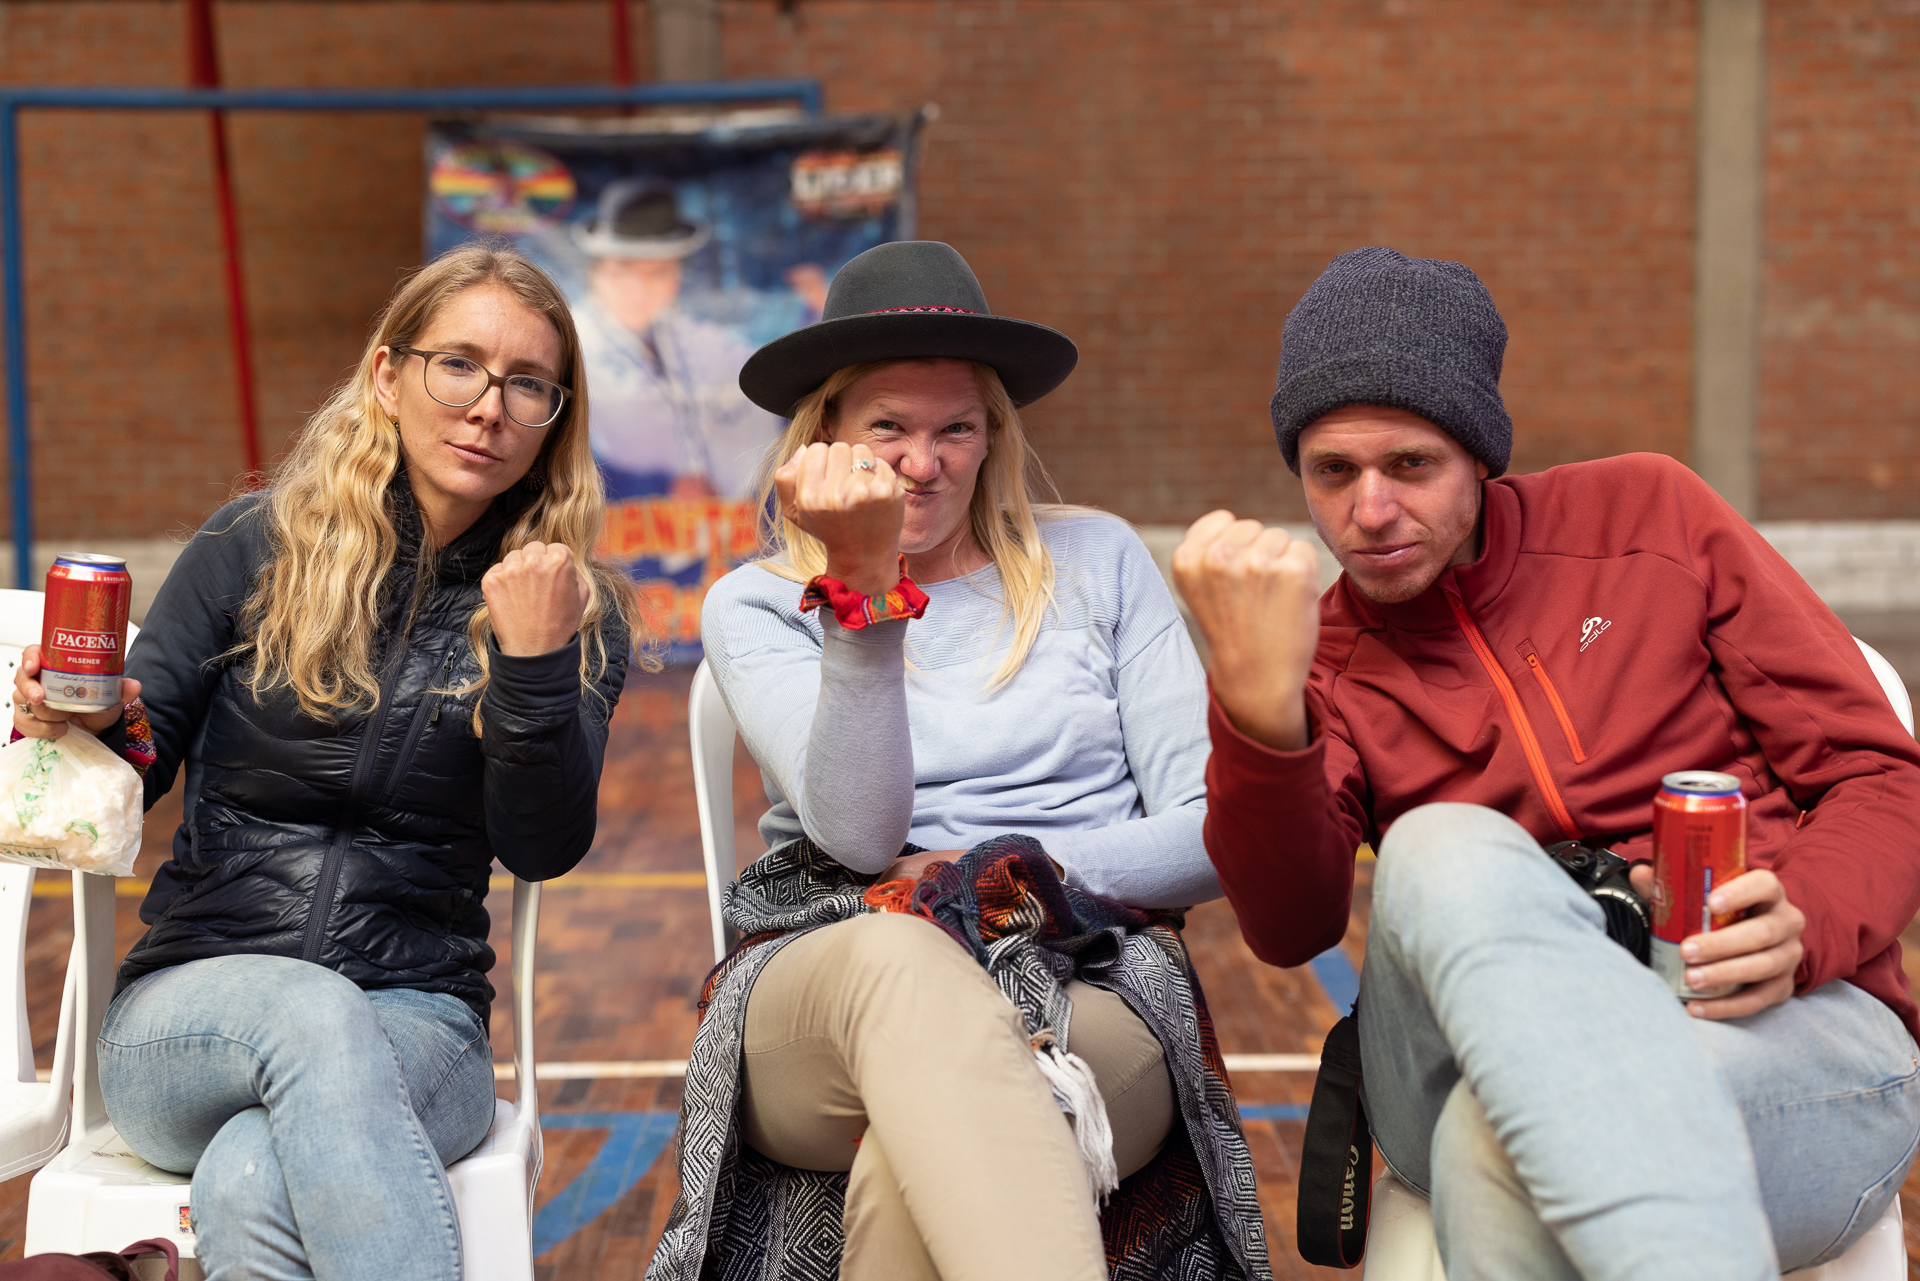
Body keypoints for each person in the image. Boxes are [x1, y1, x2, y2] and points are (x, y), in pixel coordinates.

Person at [1173, 246, 1920, 1279]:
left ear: (1480, 455)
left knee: (1496, 1150)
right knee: (1438, 848)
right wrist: (1258, 710)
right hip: (1457, 1046)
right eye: (1332, 472)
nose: (1370, 512)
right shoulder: (1321, 655)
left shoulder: (1652, 519)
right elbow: (1289, 924)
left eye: (1411, 466)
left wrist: (1805, 920)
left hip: (1772, 1030)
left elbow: (1879, 773)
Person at [12, 243, 639, 1281]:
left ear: (552, 422)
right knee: (311, 1012)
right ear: (388, 375)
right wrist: (79, 715)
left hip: (421, 1022)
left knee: (251, 1178)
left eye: (528, 384)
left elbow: (543, 845)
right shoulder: (252, 547)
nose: (489, 407)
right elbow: (136, 758)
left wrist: (533, 666)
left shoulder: (567, 607)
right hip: (189, 1013)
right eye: (459, 365)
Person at [647, 241, 1270, 1281]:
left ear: (994, 438)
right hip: (835, 967)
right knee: (901, 960)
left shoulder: (1101, 560)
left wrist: (993, 877)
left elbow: (1216, 833)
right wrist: (863, 586)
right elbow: (860, 837)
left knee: (917, 1166)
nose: (922, 462)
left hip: (1083, 970)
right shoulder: (756, 603)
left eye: (956, 429)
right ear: (826, 438)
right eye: (888, 427)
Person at [570, 181, 787, 499]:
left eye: (658, 272)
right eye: (623, 270)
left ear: (677, 276)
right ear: (596, 272)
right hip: (609, 522)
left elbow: (767, 379)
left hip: (718, 521)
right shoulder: (569, 344)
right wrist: (658, 488)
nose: (639, 289)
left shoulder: (686, 336)